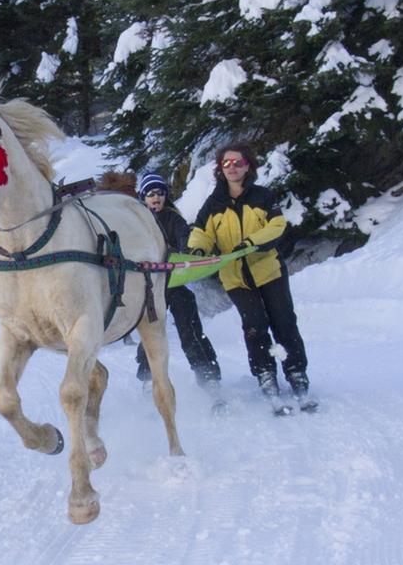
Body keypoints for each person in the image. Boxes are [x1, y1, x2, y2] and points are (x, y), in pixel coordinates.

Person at [187, 143, 315, 415]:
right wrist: (198, 249)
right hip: (235, 277)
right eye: (226, 163)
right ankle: (265, 374)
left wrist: (250, 243)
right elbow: (202, 231)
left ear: (248, 166)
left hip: (269, 271)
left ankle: (296, 372)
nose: (232, 167)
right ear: (220, 169)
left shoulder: (263, 197)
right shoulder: (214, 204)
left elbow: (277, 226)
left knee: (284, 321)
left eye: (237, 162)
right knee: (254, 325)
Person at [135, 171, 222, 393]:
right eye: (151, 193)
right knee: (151, 331)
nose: (156, 197)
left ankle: (208, 376)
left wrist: (185, 250)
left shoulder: (173, 217)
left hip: (174, 283)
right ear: (143, 197)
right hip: (149, 289)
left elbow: (185, 235)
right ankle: (148, 380)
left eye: (160, 193)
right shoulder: (136, 220)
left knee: (190, 328)